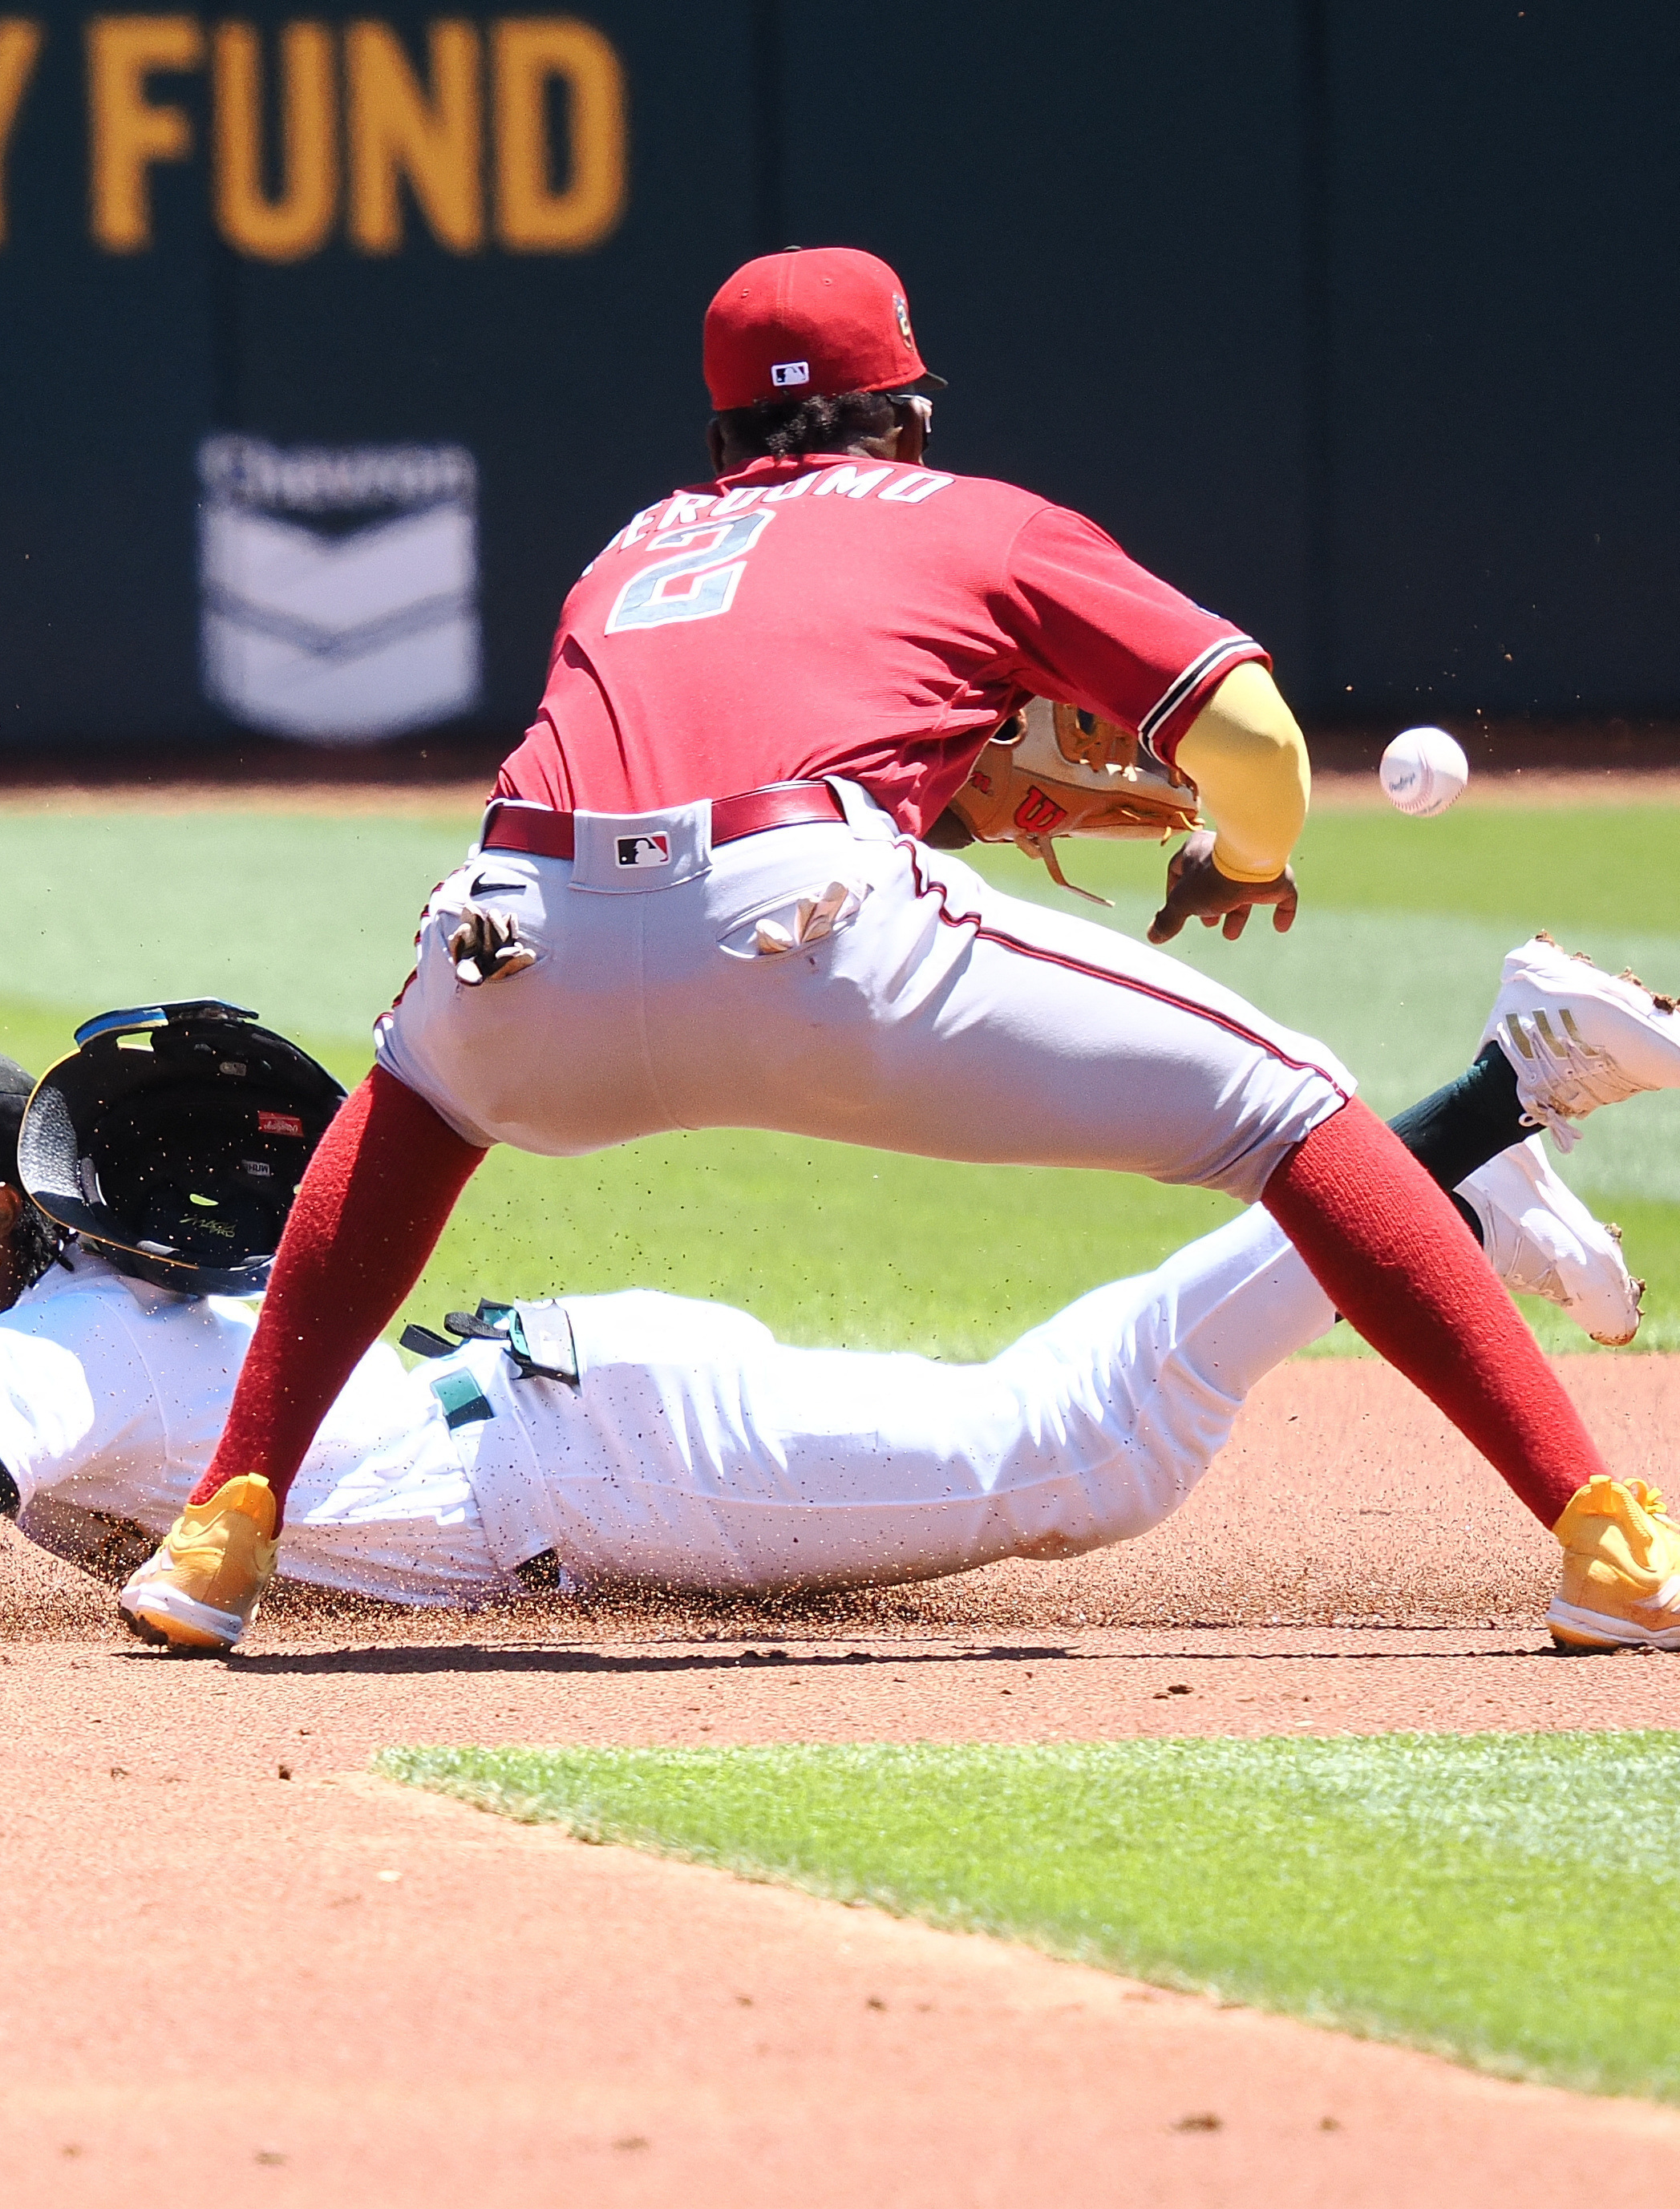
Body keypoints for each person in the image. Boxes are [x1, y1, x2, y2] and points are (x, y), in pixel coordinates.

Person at [110, 247, 1678, 1658]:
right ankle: (1600, 1534)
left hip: (519, 937)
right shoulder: (980, 517)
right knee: (1297, 1111)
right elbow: (1254, 740)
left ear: (721, 442)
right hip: (808, 919)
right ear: (912, 417)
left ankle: (224, 1529)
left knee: (418, 1099)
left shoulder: (629, 548)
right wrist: (1238, 854)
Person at [0, 961, 1659, 1648]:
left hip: (623, 1456)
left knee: (1084, 1455)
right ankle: (1472, 1145)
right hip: (580, 1430)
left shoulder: (65, 1353)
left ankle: (1470, 1105)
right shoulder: (6, 1329)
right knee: (1070, 1432)